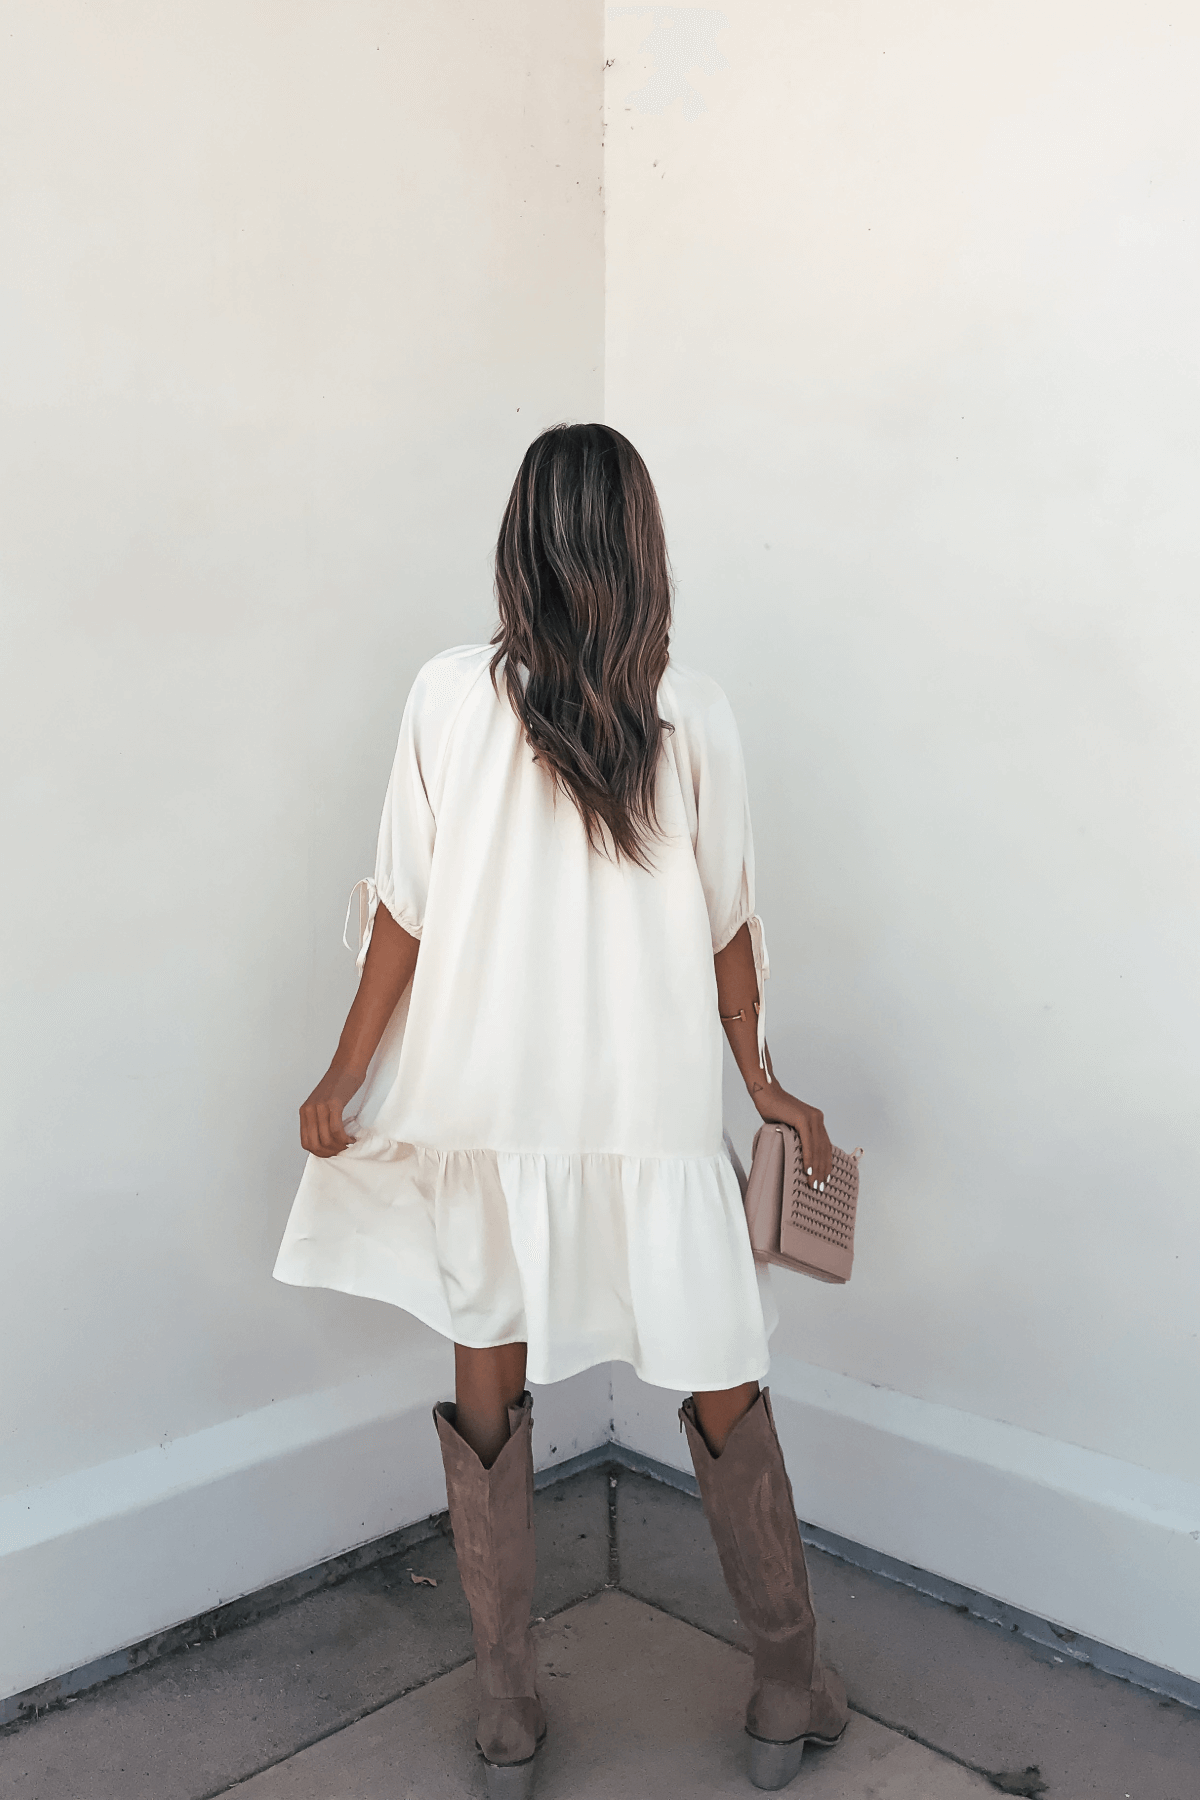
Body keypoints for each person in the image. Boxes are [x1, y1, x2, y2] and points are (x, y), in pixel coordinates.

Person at [274, 423, 848, 1795]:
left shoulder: (446, 696)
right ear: (642, 545)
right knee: (721, 1368)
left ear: (520, 541)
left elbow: (404, 914)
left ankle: (508, 1707)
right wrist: (760, 1081)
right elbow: (729, 924)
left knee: (487, 1372)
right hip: (649, 1110)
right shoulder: (691, 709)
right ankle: (785, 1683)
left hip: (487, 1098)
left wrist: (344, 1075)